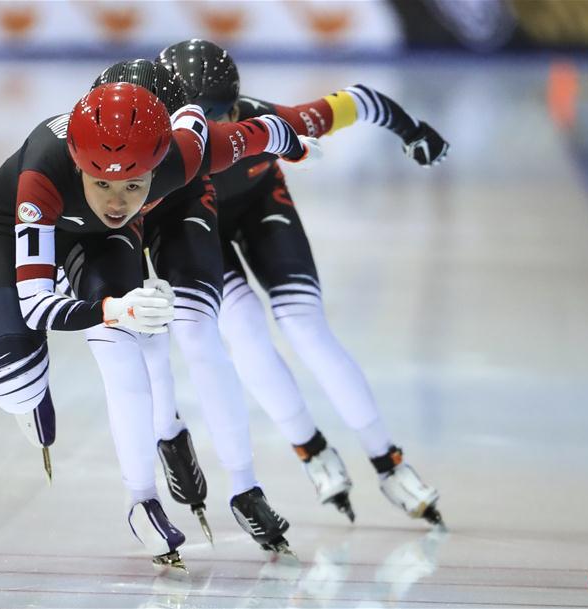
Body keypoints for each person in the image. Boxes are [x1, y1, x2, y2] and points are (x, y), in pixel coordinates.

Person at [0, 81, 310, 568]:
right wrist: (114, 308)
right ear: (77, 162)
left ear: (159, 167)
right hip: (22, 225)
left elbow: (262, 133)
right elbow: (35, 305)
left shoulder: (185, 155)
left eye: (135, 184)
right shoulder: (41, 176)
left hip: (101, 241)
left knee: (123, 345)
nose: (118, 201)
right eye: (103, 182)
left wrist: (296, 145)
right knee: (13, 383)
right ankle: (32, 396)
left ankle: (141, 499)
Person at [151, 39, 448, 526]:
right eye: (202, 116)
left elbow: (360, 100)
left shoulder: (269, 121)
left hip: (261, 207)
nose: (216, 129)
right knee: (243, 329)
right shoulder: (157, 146)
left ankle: (388, 460)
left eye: (225, 112)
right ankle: (312, 451)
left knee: (305, 327)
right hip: (197, 230)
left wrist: (412, 131)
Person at [89, 59, 318, 556]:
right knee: (132, 338)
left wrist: (292, 142)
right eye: (114, 164)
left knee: (198, 333)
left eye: (143, 161)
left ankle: (244, 485)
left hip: (182, 205)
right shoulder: (73, 156)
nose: (129, 174)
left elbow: (262, 131)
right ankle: (161, 450)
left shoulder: (193, 147)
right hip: (110, 224)